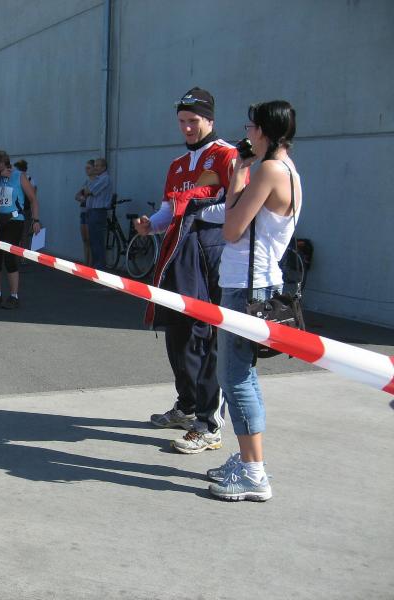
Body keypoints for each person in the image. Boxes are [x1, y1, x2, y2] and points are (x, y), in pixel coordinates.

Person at [135, 87, 238, 454]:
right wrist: (151, 225)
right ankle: (188, 405)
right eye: (182, 121)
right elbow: (169, 210)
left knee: (208, 337)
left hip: (213, 254)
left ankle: (210, 423)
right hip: (178, 254)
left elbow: (237, 208)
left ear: (210, 119)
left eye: (193, 121)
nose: (187, 128)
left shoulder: (228, 156)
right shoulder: (177, 164)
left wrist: (191, 209)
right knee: (178, 332)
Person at [207, 100, 301, 502]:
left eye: (250, 126)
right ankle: (249, 460)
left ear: (263, 130)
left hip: (247, 287)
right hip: (257, 283)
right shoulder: (287, 169)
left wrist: (240, 173)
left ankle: (253, 473)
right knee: (242, 375)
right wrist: (242, 171)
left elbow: (231, 229)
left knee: (234, 377)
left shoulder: (270, 170)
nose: (246, 133)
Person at [0, 150, 40, 309]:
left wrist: (36, 220)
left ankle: (14, 296)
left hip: (14, 220)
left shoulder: (19, 176)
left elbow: (33, 199)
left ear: (2, 164)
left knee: (10, 258)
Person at [80, 157, 112, 269]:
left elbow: (88, 191)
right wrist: (84, 192)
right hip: (92, 212)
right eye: (95, 166)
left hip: (98, 212)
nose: (96, 168)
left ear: (104, 167)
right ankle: (95, 266)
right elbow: (81, 193)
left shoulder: (105, 179)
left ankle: (99, 267)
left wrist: (85, 191)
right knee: (93, 241)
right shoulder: (98, 179)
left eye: (98, 166)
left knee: (97, 241)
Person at [75, 159, 96, 265]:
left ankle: (90, 264)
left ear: (94, 169)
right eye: (86, 168)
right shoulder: (86, 182)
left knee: (90, 239)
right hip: (83, 211)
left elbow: (88, 194)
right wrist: (82, 197)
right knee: (84, 239)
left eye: (88, 168)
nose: (86, 170)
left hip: (91, 211)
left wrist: (84, 195)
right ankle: (86, 262)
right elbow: (77, 195)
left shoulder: (96, 182)